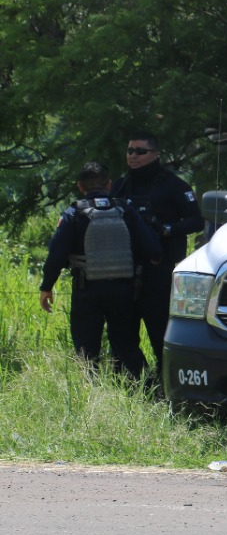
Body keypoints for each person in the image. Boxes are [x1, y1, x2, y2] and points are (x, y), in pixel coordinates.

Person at [39, 162, 163, 378]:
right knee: (127, 346)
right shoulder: (126, 210)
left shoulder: (73, 214)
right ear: (108, 185)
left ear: (80, 186)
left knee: (86, 350)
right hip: (124, 291)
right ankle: (147, 391)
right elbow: (153, 250)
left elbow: (56, 255)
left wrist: (46, 287)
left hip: (86, 291)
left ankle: (90, 397)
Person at [112, 132, 203, 374]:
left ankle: (167, 382)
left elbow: (197, 221)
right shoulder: (120, 185)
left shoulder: (173, 185)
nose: (133, 156)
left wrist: (168, 229)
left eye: (140, 151)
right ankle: (133, 383)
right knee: (121, 335)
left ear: (155, 154)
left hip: (159, 272)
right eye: (130, 150)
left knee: (160, 332)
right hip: (124, 271)